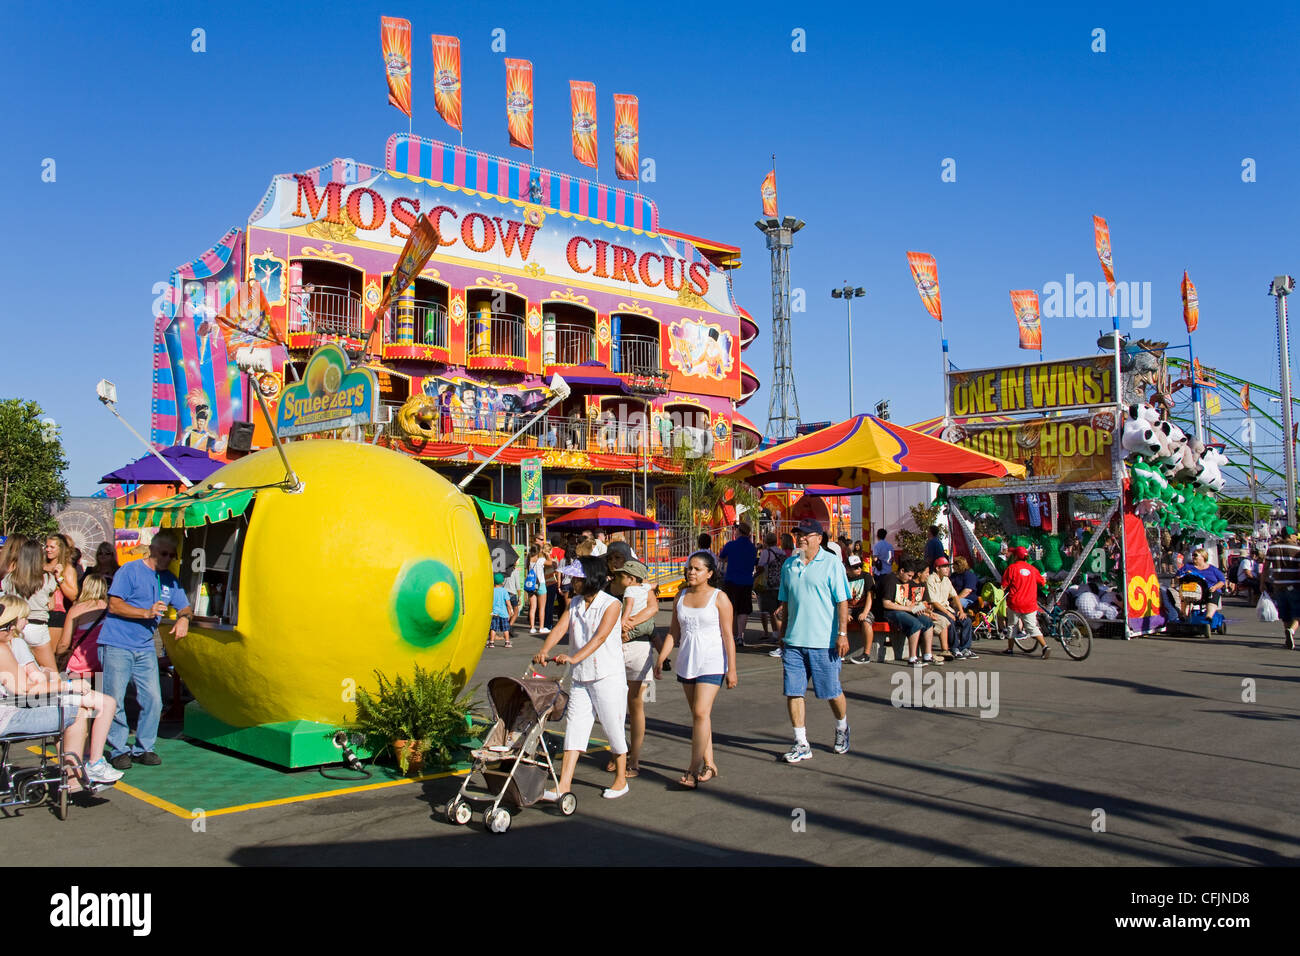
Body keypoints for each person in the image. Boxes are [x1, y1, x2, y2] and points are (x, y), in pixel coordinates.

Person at [0, 597, 124, 787]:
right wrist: (68, 686)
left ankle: (81, 772)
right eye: (9, 626)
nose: (15, 628)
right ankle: (78, 776)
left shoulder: (11, 645)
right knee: (76, 711)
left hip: (11, 709)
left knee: (81, 707)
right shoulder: (4, 648)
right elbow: (25, 689)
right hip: (9, 716)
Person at [533, 556, 630, 799]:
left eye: (577, 578)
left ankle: (620, 780)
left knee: (613, 727)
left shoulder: (612, 604)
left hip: (607, 675)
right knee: (575, 727)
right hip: (580, 677)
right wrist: (545, 650)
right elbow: (560, 628)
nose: (572, 582)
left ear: (591, 579)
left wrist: (574, 657)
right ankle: (564, 784)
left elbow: (600, 637)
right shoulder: (574, 603)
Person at [97, 533, 193, 769]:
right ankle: (119, 749)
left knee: (153, 699)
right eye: (164, 553)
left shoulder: (170, 579)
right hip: (117, 643)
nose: (168, 558)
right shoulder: (130, 571)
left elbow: (186, 606)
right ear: (152, 549)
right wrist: (145, 613)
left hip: (144, 646)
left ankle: (144, 748)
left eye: (173, 555)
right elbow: (115, 604)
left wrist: (184, 619)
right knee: (114, 699)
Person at [655, 552, 737, 786]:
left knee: (701, 713)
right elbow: (673, 632)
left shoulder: (720, 598)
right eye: (689, 568)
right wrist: (662, 658)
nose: (691, 572)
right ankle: (710, 763)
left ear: (709, 573)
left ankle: (692, 768)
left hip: (712, 661)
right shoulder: (680, 597)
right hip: (687, 661)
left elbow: (728, 636)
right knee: (700, 717)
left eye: (697, 569)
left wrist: (732, 669)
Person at [775, 518, 851, 762]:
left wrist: (842, 634)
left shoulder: (831, 564)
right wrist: (782, 633)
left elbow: (842, 601)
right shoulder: (789, 565)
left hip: (824, 642)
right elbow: (785, 603)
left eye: (807, 534)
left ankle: (842, 728)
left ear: (819, 537)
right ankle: (801, 742)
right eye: (799, 534)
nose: (802, 538)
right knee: (793, 692)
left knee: (831, 691)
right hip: (794, 642)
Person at [616, 560, 657, 777]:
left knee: (635, 705)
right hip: (626, 646)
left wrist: (628, 623)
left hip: (635, 646)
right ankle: (623, 753)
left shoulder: (631, 589)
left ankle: (633, 757)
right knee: (617, 705)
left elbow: (653, 607)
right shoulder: (639, 586)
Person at [1, 539, 60, 671]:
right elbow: (51, 606)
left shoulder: (9, 579)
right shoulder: (48, 578)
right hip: (38, 626)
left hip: (15, 626)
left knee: (20, 670)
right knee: (51, 671)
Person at [877, 561, 938, 666]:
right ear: (901, 571)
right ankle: (912, 658)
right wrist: (908, 609)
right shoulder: (890, 580)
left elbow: (906, 600)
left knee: (927, 622)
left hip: (902, 609)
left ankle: (928, 655)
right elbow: (886, 604)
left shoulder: (904, 581)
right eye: (909, 575)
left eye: (912, 576)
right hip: (888, 612)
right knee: (915, 624)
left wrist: (920, 609)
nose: (910, 579)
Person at [57, 573, 111, 677]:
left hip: (78, 668)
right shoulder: (110, 610)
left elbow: (64, 643)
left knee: (72, 692)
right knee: (98, 693)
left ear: (85, 587)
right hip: (102, 667)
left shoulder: (76, 610)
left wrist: (57, 655)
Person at [1002, 546, 1049, 658]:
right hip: (1030, 603)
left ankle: (1010, 649)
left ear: (1016, 556)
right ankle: (1045, 646)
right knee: (1032, 626)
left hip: (1015, 602)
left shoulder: (1012, 568)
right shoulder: (1032, 569)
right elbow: (1042, 582)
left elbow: (1004, 585)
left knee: (1012, 625)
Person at [926, 557, 976, 659]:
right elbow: (934, 601)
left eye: (948, 567)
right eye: (944, 567)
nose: (947, 569)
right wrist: (948, 613)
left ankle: (965, 648)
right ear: (937, 568)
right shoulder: (931, 579)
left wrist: (961, 611)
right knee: (949, 621)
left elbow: (955, 596)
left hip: (947, 608)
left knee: (966, 621)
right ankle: (954, 648)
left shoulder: (946, 580)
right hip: (936, 609)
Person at [718, 521, 758, 648]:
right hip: (746, 581)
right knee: (743, 610)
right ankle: (740, 635)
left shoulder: (731, 545)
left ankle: (732, 635)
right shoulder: (752, 548)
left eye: (736, 530)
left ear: (739, 531)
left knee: (731, 609)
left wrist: (729, 560)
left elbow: (721, 558)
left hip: (731, 580)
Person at [1262, 526, 1300, 649]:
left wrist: (1262, 583)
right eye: (1295, 535)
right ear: (1290, 535)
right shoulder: (1297, 548)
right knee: (1297, 612)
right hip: (1294, 584)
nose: (1296, 538)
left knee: (1284, 612)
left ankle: (1287, 637)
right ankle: (1292, 631)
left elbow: (1266, 567)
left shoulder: (1272, 548)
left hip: (1278, 585)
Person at [44, 534, 80, 658]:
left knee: (51, 656)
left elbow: (74, 595)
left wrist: (59, 578)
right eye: (47, 546)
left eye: (52, 547)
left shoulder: (67, 568)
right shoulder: (41, 566)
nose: (48, 549)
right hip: (38, 613)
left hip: (57, 615)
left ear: (60, 549)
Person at [844, 547, 875, 665]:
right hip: (848, 607)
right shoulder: (844, 579)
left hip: (862, 607)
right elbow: (841, 599)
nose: (859, 569)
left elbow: (869, 596)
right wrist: (845, 612)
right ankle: (839, 651)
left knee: (867, 621)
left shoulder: (866, 576)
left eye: (860, 566)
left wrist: (865, 612)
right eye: (855, 567)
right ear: (847, 569)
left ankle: (866, 654)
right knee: (839, 620)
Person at [755, 531, 785, 645]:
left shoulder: (766, 552)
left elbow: (761, 567)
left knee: (772, 611)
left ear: (766, 541)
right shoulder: (781, 552)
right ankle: (780, 633)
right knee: (780, 610)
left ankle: (776, 634)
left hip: (769, 584)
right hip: (781, 583)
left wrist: (755, 576)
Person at [1185, 549, 1226, 621]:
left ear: (1203, 557)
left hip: (1209, 590)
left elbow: (1222, 581)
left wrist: (1215, 587)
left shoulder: (1212, 569)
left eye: (1195, 555)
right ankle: (1184, 616)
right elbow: (1177, 577)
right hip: (1192, 590)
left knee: (1213, 595)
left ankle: (1209, 616)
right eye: (1192, 555)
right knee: (1185, 596)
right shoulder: (1187, 567)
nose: (1193, 557)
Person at [525, 545, 548, 634]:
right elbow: (552, 563)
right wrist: (547, 555)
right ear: (539, 551)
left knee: (533, 607)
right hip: (541, 584)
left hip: (531, 585)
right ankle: (541, 627)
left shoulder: (528, 560)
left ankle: (532, 627)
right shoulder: (541, 560)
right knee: (541, 608)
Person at [488, 573, 511, 649]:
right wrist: (510, 610)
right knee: (505, 629)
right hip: (503, 613)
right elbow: (508, 602)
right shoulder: (504, 591)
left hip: (494, 613)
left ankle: (491, 642)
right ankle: (507, 642)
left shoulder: (491, 591)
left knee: (493, 628)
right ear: (502, 582)